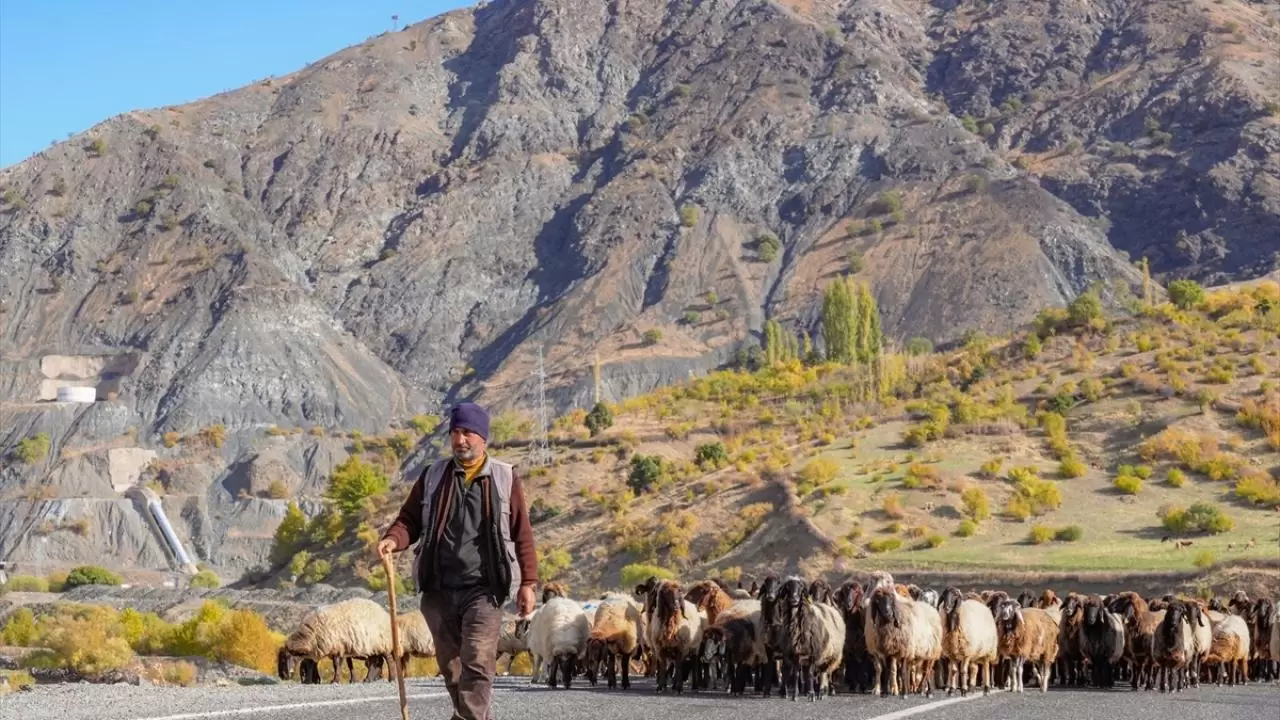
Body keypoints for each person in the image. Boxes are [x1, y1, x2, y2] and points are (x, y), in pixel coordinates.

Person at [377, 402, 538, 720]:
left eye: (467, 433)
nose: (459, 440)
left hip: (484, 589)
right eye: (454, 433)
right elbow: (409, 520)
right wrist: (393, 539)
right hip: (438, 588)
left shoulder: (505, 478)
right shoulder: (433, 476)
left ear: (482, 437)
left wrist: (528, 583)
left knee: (477, 659)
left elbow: (522, 534)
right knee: (452, 669)